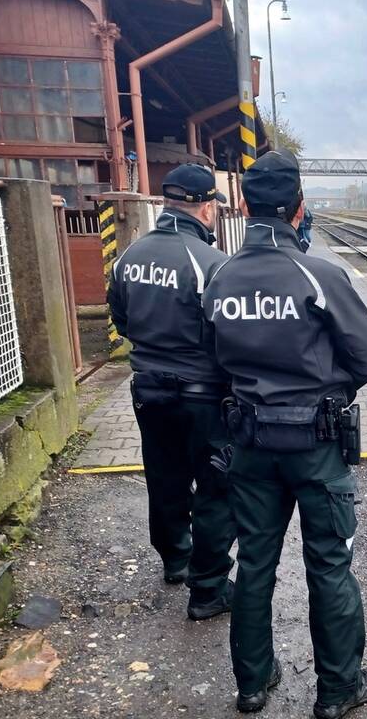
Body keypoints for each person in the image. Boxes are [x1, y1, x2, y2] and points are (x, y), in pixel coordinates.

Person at [203, 151, 367, 716]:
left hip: (251, 446)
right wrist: (326, 390)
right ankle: (337, 691)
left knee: (255, 561)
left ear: (243, 206)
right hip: (316, 446)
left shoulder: (220, 275)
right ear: (300, 207)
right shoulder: (321, 275)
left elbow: (213, 363)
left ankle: (252, 685)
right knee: (328, 564)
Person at [106, 163, 236, 620]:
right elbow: (225, 334)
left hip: (147, 389)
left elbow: (121, 321)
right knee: (217, 485)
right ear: (205, 206)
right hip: (202, 396)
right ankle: (209, 585)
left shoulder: (128, 257)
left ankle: (175, 559)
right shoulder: (212, 265)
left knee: (164, 476)